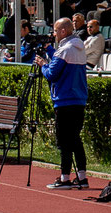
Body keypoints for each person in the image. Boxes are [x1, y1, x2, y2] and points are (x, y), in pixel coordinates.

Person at [38, 17, 90, 190]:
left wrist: (42, 64)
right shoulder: (78, 47)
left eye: (55, 30)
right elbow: (63, 63)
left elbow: (52, 74)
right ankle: (82, 177)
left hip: (64, 100)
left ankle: (65, 177)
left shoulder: (65, 50)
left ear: (63, 31)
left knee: (64, 141)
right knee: (75, 139)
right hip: (79, 99)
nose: (53, 34)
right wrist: (50, 50)